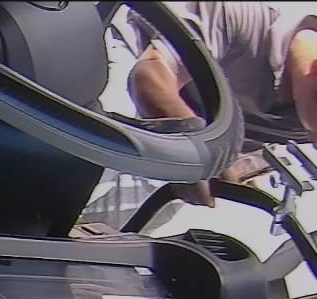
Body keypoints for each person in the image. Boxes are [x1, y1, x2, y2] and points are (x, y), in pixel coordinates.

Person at [128, 2, 317, 206]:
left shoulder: (303, 122)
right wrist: (189, 145)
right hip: (125, 68)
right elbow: (148, 74)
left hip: (189, 153)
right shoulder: (241, 18)